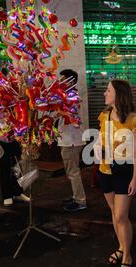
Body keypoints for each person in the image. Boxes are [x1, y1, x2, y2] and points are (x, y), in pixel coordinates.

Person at [98, 80, 136, 267]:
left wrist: (135, 178)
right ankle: (121, 245)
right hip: (104, 170)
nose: (104, 94)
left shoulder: (134, 120)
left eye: (108, 91)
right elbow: (100, 140)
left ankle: (127, 256)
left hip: (124, 173)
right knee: (113, 213)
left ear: (119, 95)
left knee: (121, 217)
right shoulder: (104, 115)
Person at [57, 69, 87, 213]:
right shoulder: (65, 97)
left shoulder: (73, 97)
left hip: (72, 141)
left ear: (71, 81)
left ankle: (80, 201)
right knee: (71, 172)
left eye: (63, 79)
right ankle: (76, 197)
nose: (60, 82)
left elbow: (73, 119)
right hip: (68, 140)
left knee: (73, 172)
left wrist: (59, 110)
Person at [0, 113, 30, 206]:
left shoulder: (13, 109)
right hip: (2, 145)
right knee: (5, 170)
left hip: (14, 144)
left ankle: (17, 192)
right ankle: (7, 196)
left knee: (17, 168)